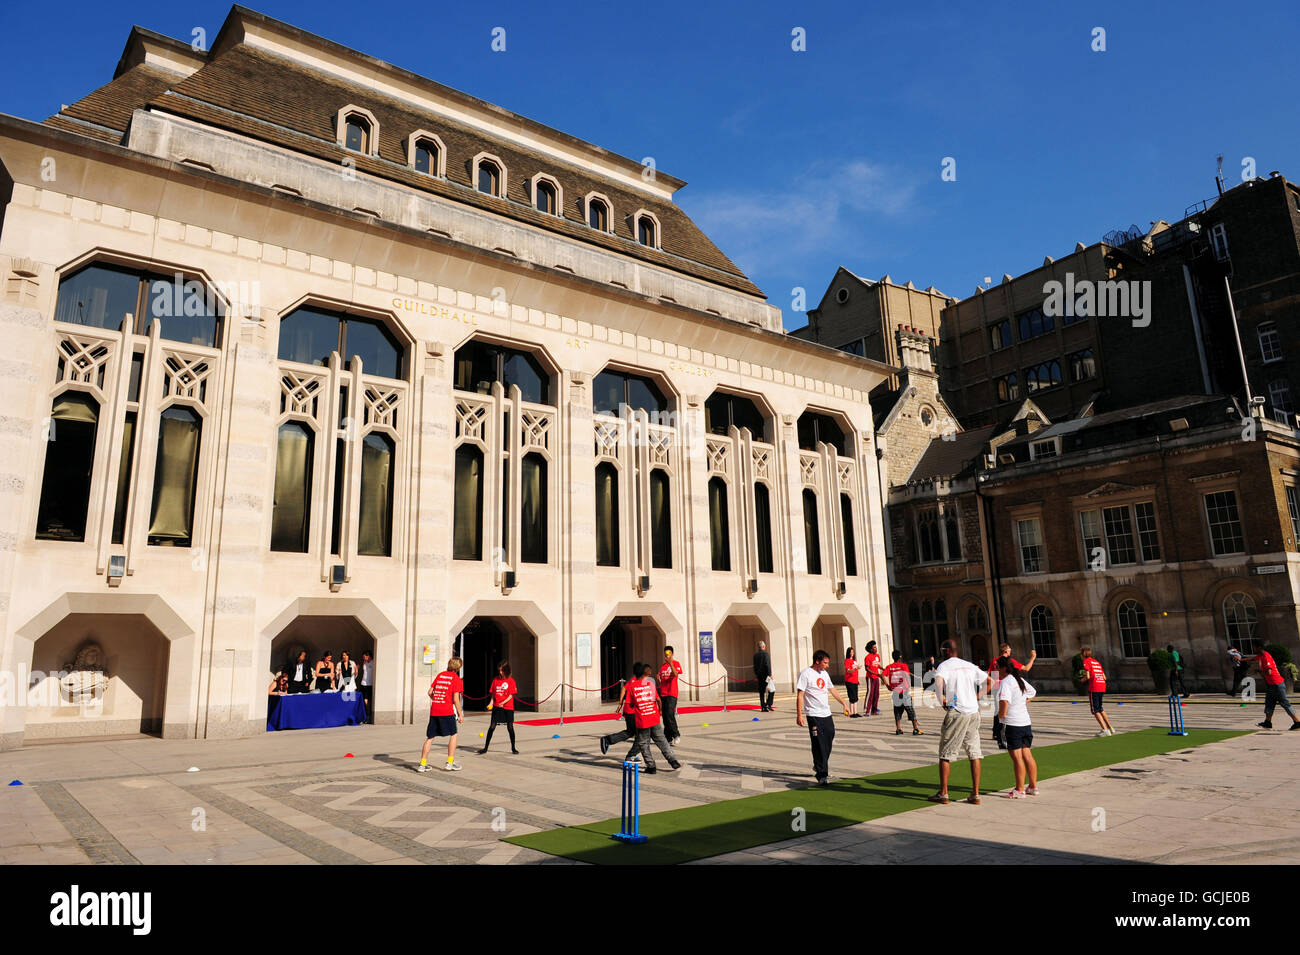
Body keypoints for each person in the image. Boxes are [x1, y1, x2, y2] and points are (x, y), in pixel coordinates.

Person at [930, 639, 986, 805]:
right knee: (974, 753)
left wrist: (942, 701)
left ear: (947, 650)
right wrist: (977, 696)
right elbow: (990, 681)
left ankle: (944, 793)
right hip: (973, 711)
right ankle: (975, 794)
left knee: (945, 753)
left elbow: (938, 684)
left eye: (942, 649)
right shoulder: (969, 665)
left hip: (958, 711)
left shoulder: (944, 666)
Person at [796, 650, 850, 785]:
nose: (827, 666)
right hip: (813, 715)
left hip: (826, 713)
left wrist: (844, 703)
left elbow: (832, 690)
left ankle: (819, 764)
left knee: (829, 737)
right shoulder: (806, 674)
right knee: (819, 743)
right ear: (817, 661)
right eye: (825, 663)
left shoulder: (824, 674)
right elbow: (800, 695)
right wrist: (799, 714)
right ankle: (822, 774)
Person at [995, 657, 1039, 798]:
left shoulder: (1006, 682)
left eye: (997, 667)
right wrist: (1022, 703)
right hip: (1025, 722)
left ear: (1003, 668)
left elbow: (1004, 702)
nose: (996, 670)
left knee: (1017, 758)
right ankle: (1032, 786)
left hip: (1012, 724)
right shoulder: (1018, 679)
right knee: (1027, 754)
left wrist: (1001, 716)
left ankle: (1019, 789)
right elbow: (1032, 692)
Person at [626, 662, 681, 773]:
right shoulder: (650, 684)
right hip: (654, 717)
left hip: (642, 720)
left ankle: (651, 766)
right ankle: (673, 760)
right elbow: (658, 700)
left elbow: (630, 704)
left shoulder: (632, 686)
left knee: (643, 743)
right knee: (662, 740)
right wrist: (659, 710)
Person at [417, 657, 464, 772]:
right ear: (458, 668)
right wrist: (460, 714)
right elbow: (456, 699)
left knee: (430, 737)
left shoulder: (440, 675)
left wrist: (438, 699)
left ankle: (422, 765)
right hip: (446, 711)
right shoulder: (456, 679)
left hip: (435, 709)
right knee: (453, 734)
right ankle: (450, 763)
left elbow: (429, 692)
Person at [987, 644, 1036, 747]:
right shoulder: (1010, 662)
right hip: (1008, 687)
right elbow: (1026, 668)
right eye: (1010, 649)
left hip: (996, 688)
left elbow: (989, 675)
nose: (1010, 651)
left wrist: (990, 688)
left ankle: (996, 734)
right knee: (1006, 712)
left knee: (998, 712)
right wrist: (1032, 658)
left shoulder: (994, 660)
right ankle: (1001, 735)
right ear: (1007, 651)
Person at [1245, 647, 1300, 730]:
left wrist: (1260, 672)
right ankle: (1268, 722)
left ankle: (1297, 722)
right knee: (1269, 703)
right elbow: (1252, 658)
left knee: (1284, 703)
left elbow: (1269, 672)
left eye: (1254, 648)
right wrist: (1241, 659)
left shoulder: (1266, 656)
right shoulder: (1260, 656)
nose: (1253, 650)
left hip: (1277, 684)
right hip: (1271, 685)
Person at [599, 664, 642, 757]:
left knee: (630, 732)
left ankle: (608, 740)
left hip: (628, 710)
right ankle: (632, 755)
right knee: (642, 736)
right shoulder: (639, 682)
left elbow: (623, 689)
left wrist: (620, 703)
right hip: (634, 711)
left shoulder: (632, 680)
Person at [479, 661, 519, 754]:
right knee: (492, 727)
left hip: (508, 707)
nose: (500, 672)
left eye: (502, 670)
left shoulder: (511, 680)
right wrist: (491, 703)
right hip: (497, 707)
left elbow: (510, 696)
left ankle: (513, 748)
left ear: (507, 670)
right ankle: (485, 748)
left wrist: (503, 703)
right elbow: (493, 694)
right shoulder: (496, 680)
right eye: (499, 670)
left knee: (510, 727)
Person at [883, 649, 922, 736]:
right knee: (911, 710)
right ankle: (915, 729)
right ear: (900, 657)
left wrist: (887, 685)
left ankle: (898, 729)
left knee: (897, 711)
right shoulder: (903, 666)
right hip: (904, 692)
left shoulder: (889, 667)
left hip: (895, 692)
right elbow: (907, 677)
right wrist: (908, 687)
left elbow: (882, 675)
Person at [1080, 646, 1114, 737]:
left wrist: (1081, 680)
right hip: (1102, 685)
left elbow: (1088, 676)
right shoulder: (1097, 662)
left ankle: (1105, 730)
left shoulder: (1086, 662)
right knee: (1100, 708)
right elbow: (1104, 677)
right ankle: (1110, 727)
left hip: (1094, 687)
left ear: (1083, 654)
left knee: (1095, 710)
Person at [657, 646, 684, 744]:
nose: (666, 655)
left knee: (670, 713)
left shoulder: (675, 663)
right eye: (665, 653)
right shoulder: (663, 666)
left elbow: (676, 674)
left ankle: (676, 734)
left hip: (672, 693)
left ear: (672, 654)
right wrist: (658, 677)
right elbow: (660, 675)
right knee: (664, 716)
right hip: (663, 693)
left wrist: (670, 663)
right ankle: (667, 737)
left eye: (668, 653)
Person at [863, 640, 883, 716]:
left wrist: (883, 669)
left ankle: (874, 710)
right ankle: (867, 710)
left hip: (876, 677)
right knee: (870, 693)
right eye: (874, 647)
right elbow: (867, 668)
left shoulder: (877, 656)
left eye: (876, 647)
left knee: (876, 694)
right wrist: (876, 674)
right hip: (870, 677)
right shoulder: (867, 657)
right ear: (871, 649)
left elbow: (877, 665)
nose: (876, 648)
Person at [754, 641, 775, 711]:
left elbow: (754, 666)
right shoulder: (766, 654)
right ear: (763, 647)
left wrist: (756, 674)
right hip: (766, 676)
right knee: (771, 690)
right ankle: (769, 704)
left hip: (759, 676)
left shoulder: (755, 655)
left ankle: (763, 706)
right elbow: (767, 665)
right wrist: (770, 675)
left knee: (762, 691)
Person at [844, 647, 862, 717]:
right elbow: (848, 671)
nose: (852, 653)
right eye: (850, 652)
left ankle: (856, 711)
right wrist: (855, 668)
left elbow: (855, 671)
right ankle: (851, 712)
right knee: (852, 697)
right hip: (849, 681)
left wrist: (857, 680)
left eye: (853, 652)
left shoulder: (854, 661)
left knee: (856, 697)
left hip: (855, 681)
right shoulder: (847, 661)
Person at [360, 650, 375, 722]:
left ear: (368, 656)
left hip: (370, 684)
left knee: (368, 701)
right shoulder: (364, 663)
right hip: (363, 683)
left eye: (364, 656)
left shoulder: (373, 662)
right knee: (364, 700)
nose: (364, 658)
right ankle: (366, 716)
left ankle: (369, 716)